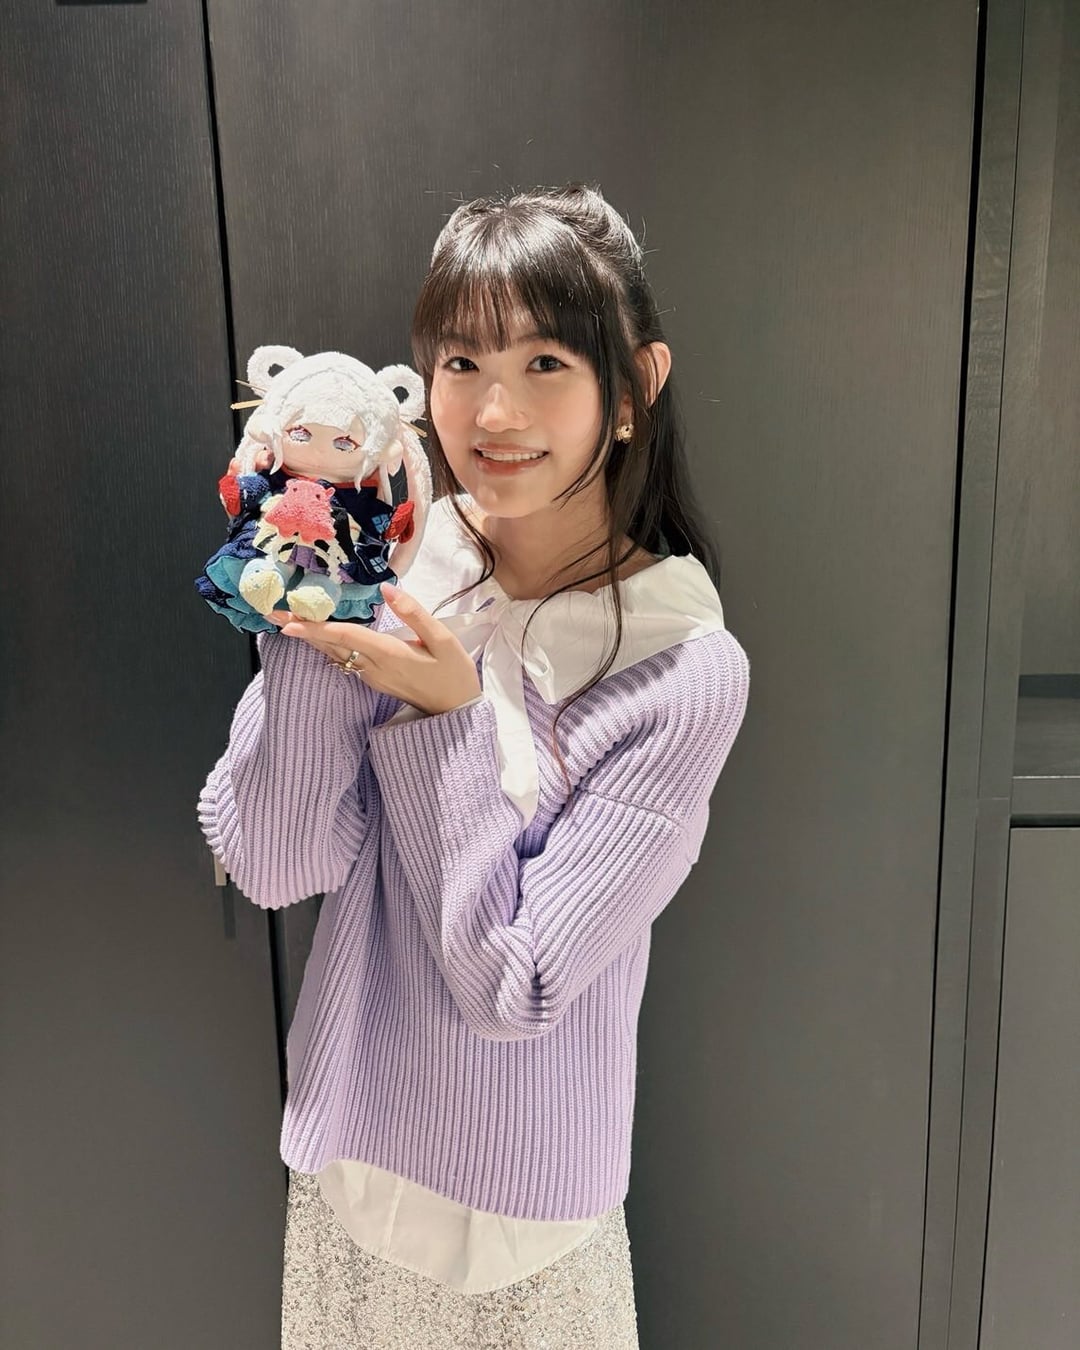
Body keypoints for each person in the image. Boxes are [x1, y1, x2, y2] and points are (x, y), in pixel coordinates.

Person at [198, 182, 751, 1349]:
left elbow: (520, 985)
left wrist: (448, 718)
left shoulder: (680, 668)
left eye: (545, 361)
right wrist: (311, 612)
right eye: (461, 362)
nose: (494, 410)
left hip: (518, 1221)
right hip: (347, 1166)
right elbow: (275, 863)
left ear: (635, 388)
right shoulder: (406, 562)